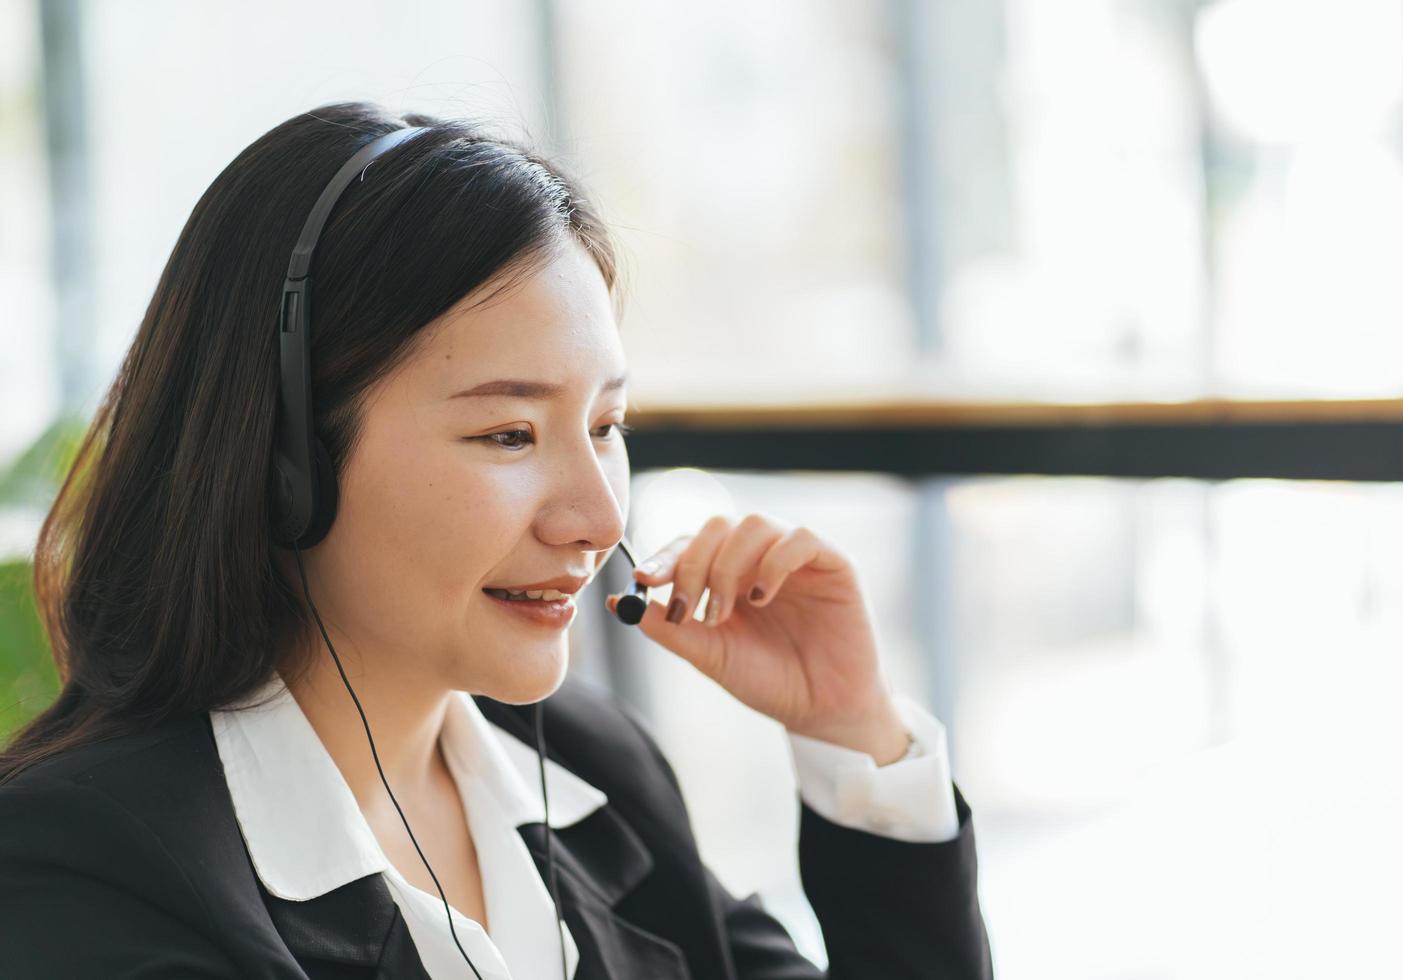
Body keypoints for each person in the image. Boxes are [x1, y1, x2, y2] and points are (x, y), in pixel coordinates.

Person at [0, 101, 992, 978]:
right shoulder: (79, 873)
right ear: (286, 458)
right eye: (507, 434)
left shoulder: (594, 773)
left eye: (605, 427)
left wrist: (850, 729)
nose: (599, 517)